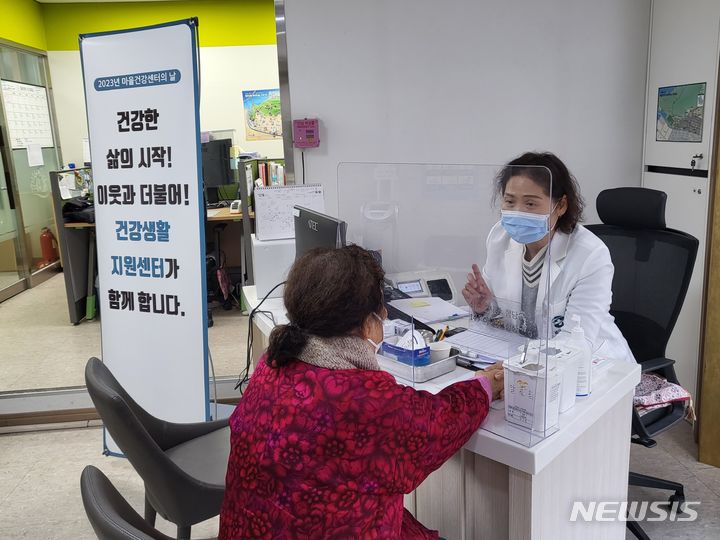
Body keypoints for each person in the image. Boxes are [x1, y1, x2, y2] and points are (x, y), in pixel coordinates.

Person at [219, 245, 504, 539]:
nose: (384, 316)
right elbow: (436, 424)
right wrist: (485, 385)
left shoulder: (274, 361)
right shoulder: (361, 398)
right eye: (382, 312)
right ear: (368, 323)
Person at [462, 151, 634, 362]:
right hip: (522, 361)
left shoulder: (591, 254)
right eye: (509, 201)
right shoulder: (500, 237)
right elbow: (510, 321)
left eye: (530, 203)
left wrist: (520, 359)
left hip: (593, 368)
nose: (517, 212)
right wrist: (486, 308)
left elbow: (575, 344)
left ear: (560, 206)